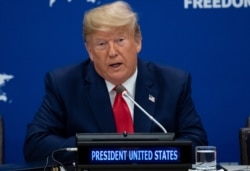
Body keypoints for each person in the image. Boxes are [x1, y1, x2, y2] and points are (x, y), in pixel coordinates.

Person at [23, 0, 208, 163]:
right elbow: (35, 144)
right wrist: (99, 150)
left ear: (137, 42)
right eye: (101, 44)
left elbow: (197, 142)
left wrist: (144, 154)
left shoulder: (173, 83)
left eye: (120, 40)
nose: (112, 52)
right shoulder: (64, 84)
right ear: (89, 50)